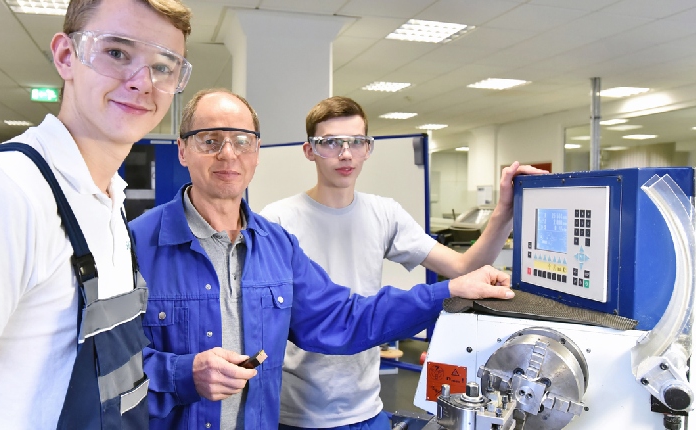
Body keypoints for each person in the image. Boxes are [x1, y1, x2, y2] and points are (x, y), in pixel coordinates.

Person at [128, 88, 516, 429]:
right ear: (182, 150)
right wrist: (183, 374)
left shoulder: (276, 245)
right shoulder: (137, 243)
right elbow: (100, 365)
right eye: (210, 140)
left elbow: (343, 319)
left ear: (256, 152)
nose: (228, 153)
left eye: (242, 140)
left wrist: (447, 291)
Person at [0, 0, 192, 428]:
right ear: (66, 56)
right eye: (117, 53)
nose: (142, 82)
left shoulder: (110, 202)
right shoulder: (3, 193)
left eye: (163, 66)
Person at [259, 96, 547, 429]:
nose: (345, 153)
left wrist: (504, 213)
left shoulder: (384, 214)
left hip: (366, 409)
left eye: (356, 142)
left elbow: (463, 267)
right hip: (295, 414)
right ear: (310, 150)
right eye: (330, 143)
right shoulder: (278, 220)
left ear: (368, 148)